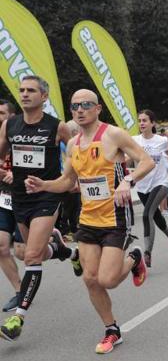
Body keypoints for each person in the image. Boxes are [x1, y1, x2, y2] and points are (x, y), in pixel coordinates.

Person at [25, 89, 152, 353]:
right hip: (88, 219)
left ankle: (134, 257)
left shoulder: (113, 134)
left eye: (86, 105)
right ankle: (111, 329)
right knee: (90, 279)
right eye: (74, 106)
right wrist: (43, 185)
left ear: (98, 108)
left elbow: (146, 161)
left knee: (107, 279)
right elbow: (68, 182)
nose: (80, 110)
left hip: (115, 216)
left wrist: (128, 181)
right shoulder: (73, 144)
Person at [0, 75, 78, 341]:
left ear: (43, 96)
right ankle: (62, 250)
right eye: (21, 90)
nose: (24, 94)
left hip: (46, 195)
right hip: (19, 196)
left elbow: (75, 156)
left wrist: (66, 181)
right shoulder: (10, 125)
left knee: (32, 256)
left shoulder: (57, 127)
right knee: (27, 252)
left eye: (31, 90)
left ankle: (17, 318)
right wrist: (4, 172)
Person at [131, 110, 168, 267]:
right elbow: (127, 157)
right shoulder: (134, 141)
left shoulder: (162, 140)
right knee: (156, 216)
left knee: (147, 215)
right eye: (139, 121)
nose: (142, 123)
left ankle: (147, 254)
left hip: (160, 183)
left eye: (145, 120)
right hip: (142, 185)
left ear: (152, 123)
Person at [0, 99, 22, 312]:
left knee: (25, 253)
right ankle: (19, 291)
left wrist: (16, 173)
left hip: (26, 199)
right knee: (1, 246)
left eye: (1, 113)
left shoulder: (22, 136)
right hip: (3, 199)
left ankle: (63, 248)